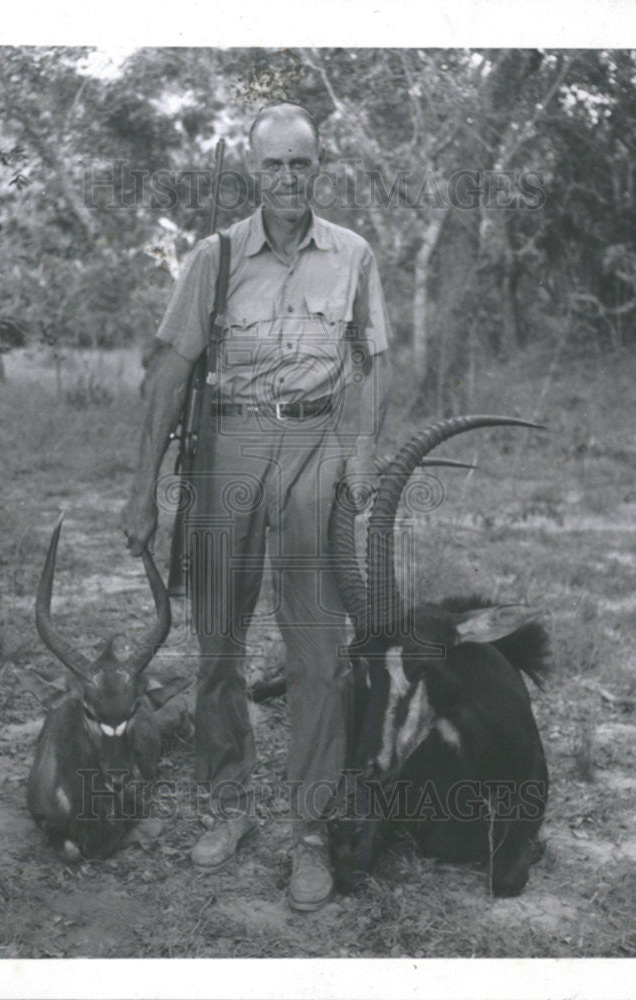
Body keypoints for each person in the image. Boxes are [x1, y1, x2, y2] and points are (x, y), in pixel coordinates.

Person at [120, 103, 391, 911]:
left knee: (316, 652)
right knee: (217, 647)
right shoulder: (216, 256)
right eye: (272, 165)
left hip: (314, 452)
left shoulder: (353, 255)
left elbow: (373, 363)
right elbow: (170, 375)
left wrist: (361, 452)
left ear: (318, 169)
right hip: (227, 453)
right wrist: (142, 491)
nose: (286, 179)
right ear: (252, 171)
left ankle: (309, 832)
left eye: (299, 164)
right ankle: (227, 805)